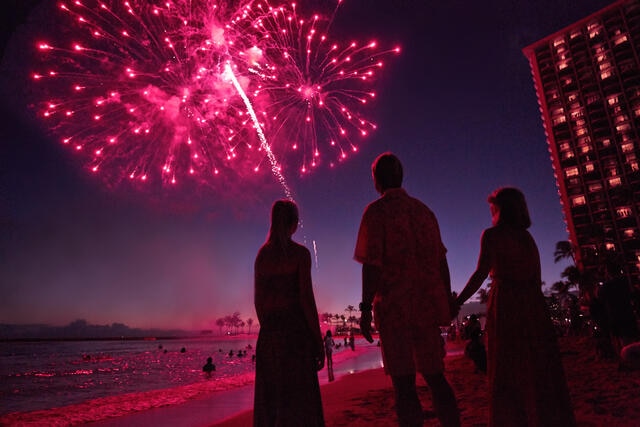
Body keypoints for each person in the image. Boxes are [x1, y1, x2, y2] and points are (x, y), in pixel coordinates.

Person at [354, 152, 460, 427]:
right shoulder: (423, 211)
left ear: (377, 180)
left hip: (395, 309)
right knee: (436, 377)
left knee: (404, 384)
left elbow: (372, 265)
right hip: (426, 307)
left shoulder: (376, 212)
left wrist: (365, 309)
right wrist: (446, 300)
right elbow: (441, 260)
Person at [456, 187, 576, 427]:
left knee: (506, 366)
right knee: (536, 366)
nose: (491, 211)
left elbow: (480, 273)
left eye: (493, 207)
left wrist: (457, 301)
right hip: (531, 304)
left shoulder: (492, 235)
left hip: (507, 303)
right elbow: (535, 277)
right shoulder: (526, 238)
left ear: (500, 209)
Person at [253, 199, 325, 427]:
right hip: (296, 334)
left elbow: (259, 302)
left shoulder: (262, 256)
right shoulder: (300, 255)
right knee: (300, 403)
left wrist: (269, 329)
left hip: (270, 335)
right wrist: (317, 340)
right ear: (294, 223)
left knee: (272, 402)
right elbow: (306, 299)